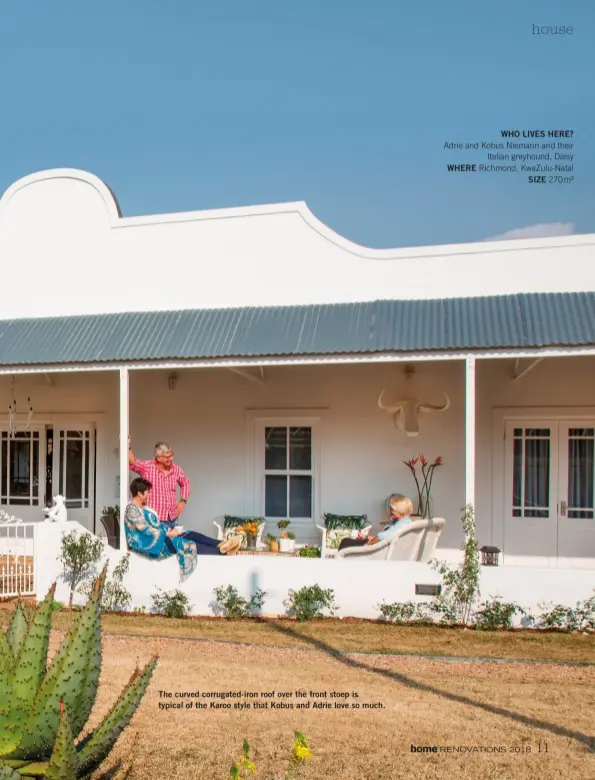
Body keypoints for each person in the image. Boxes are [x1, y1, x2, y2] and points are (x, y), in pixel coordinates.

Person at [124, 478, 242, 580]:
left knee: (190, 534)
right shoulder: (132, 510)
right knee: (185, 544)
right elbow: (146, 530)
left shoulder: (143, 508)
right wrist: (168, 534)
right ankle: (221, 552)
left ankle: (222, 544)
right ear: (139, 493)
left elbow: (155, 525)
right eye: (147, 492)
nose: (148, 495)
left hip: (160, 538)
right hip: (150, 546)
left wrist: (170, 530)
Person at [128, 437, 189, 530]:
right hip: (155, 518)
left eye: (171, 455)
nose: (170, 459)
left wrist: (183, 501)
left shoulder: (176, 469)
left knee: (174, 543)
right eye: (167, 457)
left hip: (172, 518)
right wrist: (128, 446)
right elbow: (133, 463)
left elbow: (185, 482)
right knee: (158, 543)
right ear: (158, 457)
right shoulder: (148, 467)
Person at [337, 495, 414, 551]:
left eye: (392, 510)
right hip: (381, 547)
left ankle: (339, 568)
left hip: (377, 551)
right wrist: (366, 537)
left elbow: (381, 537)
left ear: (401, 512)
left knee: (345, 542)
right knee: (347, 541)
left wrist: (368, 543)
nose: (389, 512)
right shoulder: (403, 522)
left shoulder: (402, 526)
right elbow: (384, 537)